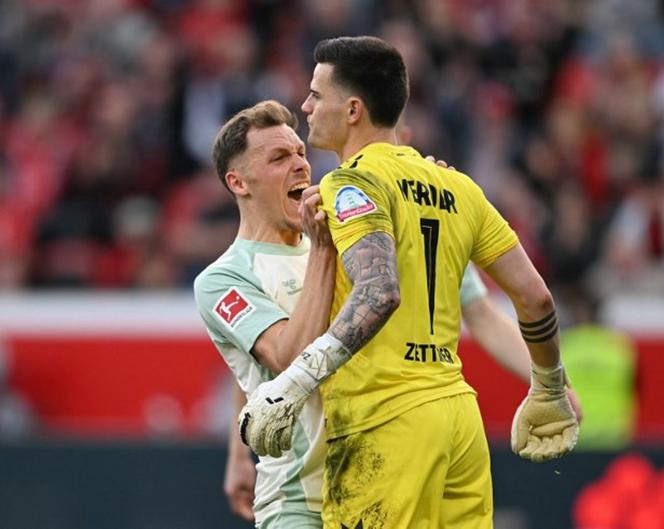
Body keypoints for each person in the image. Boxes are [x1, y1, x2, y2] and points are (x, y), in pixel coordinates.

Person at [239, 36, 578, 528]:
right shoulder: (459, 186)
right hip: (459, 420)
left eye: (317, 94)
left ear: (353, 109)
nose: (305, 105)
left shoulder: (350, 183)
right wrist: (549, 386)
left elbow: (379, 292)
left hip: (385, 424)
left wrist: (295, 381)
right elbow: (535, 297)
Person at [223, 263, 584, 523]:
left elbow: (482, 313)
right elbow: (270, 350)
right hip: (323, 458)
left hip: (384, 439)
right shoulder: (330, 218)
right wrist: (239, 453)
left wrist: (551, 384)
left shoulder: (427, 210)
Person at [194, 100, 337, 528]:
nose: (301, 166)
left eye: (300, 153)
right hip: (300, 501)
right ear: (239, 182)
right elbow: (287, 361)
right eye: (279, 158)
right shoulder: (224, 280)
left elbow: (249, 374)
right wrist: (325, 251)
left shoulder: (332, 240)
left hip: (372, 489)